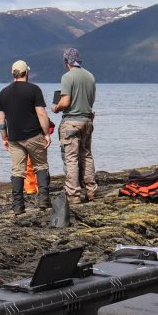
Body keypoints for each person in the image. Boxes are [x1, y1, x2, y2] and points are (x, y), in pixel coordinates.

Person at [0, 60, 52, 214]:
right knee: (40, 166)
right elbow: (41, 113)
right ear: (26, 73)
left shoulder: (3, 93)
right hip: (34, 135)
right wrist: (46, 134)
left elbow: (1, 120)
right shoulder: (34, 90)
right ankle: (43, 201)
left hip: (14, 138)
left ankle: (18, 207)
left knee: (17, 171)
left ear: (13, 73)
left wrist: (4, 138)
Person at [52, 48, 98, 205]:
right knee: (87, 155)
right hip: (87, 120)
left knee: (71, 158)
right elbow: (93, 98)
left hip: (71, 121)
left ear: (67, 62)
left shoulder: (67, 77)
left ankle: (74, 195)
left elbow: (65, 102)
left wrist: (56, 107)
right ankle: (91, 191)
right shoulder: (90, 76)